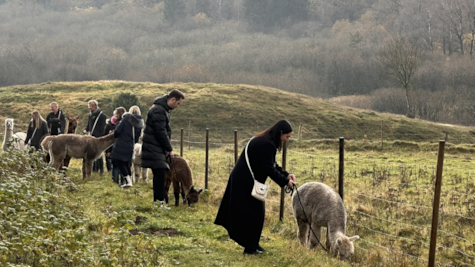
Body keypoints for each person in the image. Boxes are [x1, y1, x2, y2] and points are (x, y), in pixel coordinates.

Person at [214, 120, 297, 255]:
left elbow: (271, 163)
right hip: (245, 181)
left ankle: (252, 244)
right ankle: (250, 248)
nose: (287, 140)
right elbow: (269, 168)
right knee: (255, 214)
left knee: (253, 213)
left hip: (244, 179)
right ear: (281, 133)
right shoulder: (268, 144)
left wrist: (287, 175)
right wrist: (285, 182)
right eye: (287, 137)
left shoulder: (265, 140)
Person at [141, 89, 185, 210]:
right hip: (154, 147)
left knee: (160, 174)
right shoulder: (159, 110)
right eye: (178, 103)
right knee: (160, 174)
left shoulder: (162, 110)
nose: (178, 106)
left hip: (155, 147)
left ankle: (158, 202)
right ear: (172, 99)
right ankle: (159, 203)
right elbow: (160, 132)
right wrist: (169, 148)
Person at [110, 106, 144, 188]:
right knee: (127, 163)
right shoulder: (140, 124)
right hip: (130, 145)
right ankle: (129, 181)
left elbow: (117, 132)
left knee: (121, 162)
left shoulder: (125, 120)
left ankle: (128, 181)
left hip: (121, 144)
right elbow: (137, 138)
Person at [83, 100, 107, 175]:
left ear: (95, 106)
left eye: (91, 107)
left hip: (98, 137)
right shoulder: (90, 115)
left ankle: (101, 169)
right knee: (92, 153)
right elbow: (89, 124)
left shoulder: (102, 116)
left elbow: (102, 128)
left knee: (98, 154)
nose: (89, 108)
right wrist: (86, 129)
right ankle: (94, 169)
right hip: (91, 136)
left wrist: (100, 137)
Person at [104, 110, 118, 178]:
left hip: (117, 145)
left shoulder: (120, 124)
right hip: (109, 145)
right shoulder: (108, 125)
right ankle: (109, 170)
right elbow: (105, 138)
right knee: (108, 158)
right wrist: (107, 150)